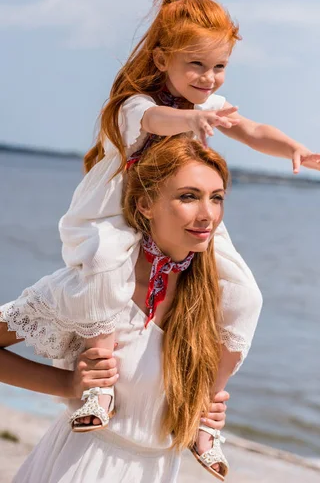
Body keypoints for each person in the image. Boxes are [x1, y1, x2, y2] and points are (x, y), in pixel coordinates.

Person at [0, 0, 320, 458]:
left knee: (245, 293)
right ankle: (98, 383)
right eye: (196, 64)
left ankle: (204, 408)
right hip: (117, 213)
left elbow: (251, 128)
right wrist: (193, 119)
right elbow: (159, 121)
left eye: (219, 66)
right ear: (162, 59)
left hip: (167, 212)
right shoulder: (136, 105)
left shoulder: (211, 106)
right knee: (106, 270)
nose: (209, 78)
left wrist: (295, 148)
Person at [1, 136, 243, 482]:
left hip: (157, 471)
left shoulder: (214, 303)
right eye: (188, 196)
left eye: (216, 198)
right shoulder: (93, 288)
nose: (207, 215)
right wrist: (70, 384)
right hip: (81, 466)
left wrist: (202, 410)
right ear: (145, 203)